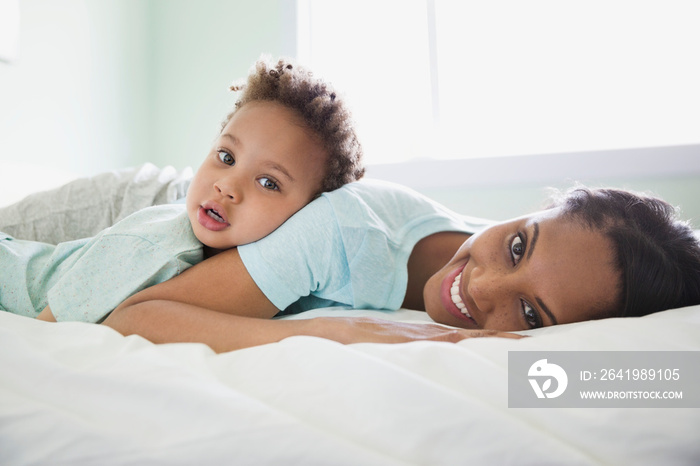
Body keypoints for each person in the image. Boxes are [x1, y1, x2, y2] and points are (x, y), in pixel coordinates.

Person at [100, 179, 700, 352]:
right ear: (533, 212)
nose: (484, 284)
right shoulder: (347, 232)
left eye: (530, 315)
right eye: (518, 246)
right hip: (124, 209)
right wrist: (324, 330)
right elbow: (133, 315)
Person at [0, 56, 364, 323]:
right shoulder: (156, 244)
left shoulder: (273, 276)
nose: (226, 185)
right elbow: (48, 329)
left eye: (268, 182)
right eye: (226, 156)